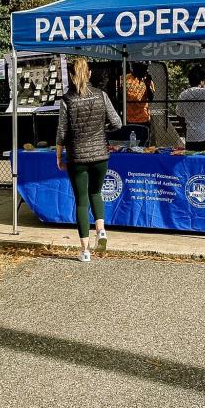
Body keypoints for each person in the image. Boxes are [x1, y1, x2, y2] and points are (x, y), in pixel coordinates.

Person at [56, 57, 121, 262]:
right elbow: (117, 122)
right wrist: (102, 129)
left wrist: (58, 155)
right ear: (90, 73)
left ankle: (85, 251)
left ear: (71, 76)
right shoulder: (101, 95)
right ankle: (101, 230)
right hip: (100, 154)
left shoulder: (67, 100)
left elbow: (62, 132)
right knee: (96, 192)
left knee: (81, 202)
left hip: (77, 156)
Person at [175, 66, 205, 150]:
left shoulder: (183, 95)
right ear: (202, 81)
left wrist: (185, 129)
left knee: (190, 156)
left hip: (191, 136)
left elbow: (179, 114)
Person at [124, 62, 156, 126]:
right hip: (129, 118)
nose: (147, 71)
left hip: (144, 118)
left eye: (146, 69)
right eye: (144, 69)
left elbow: (151, 98)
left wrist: (147, 85)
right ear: (137, 68)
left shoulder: (147, 79)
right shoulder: (126, 78)